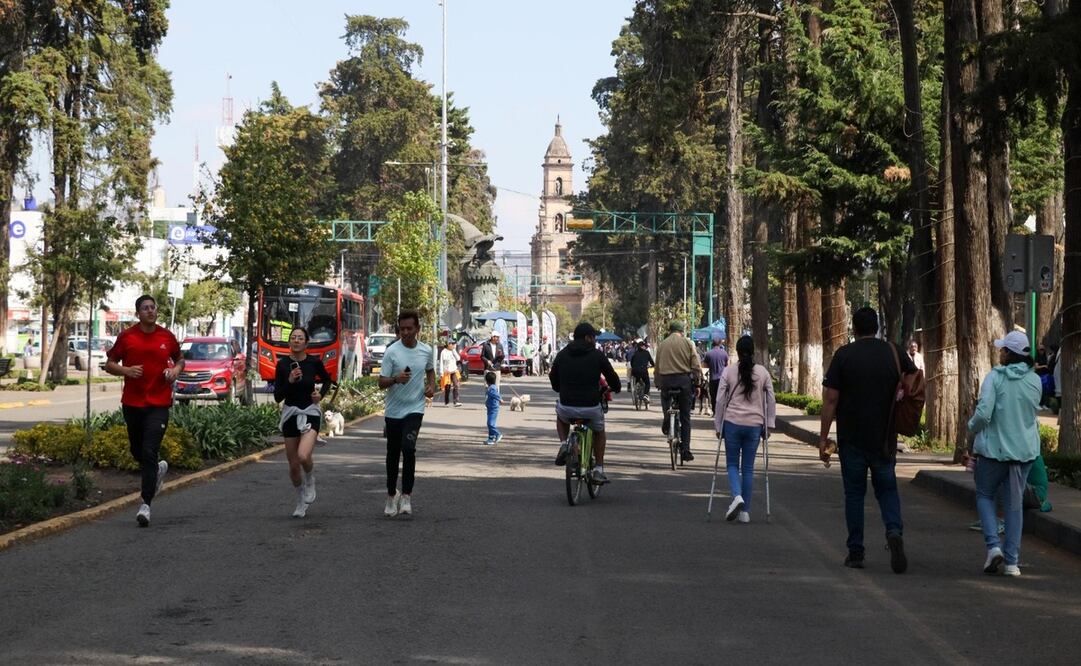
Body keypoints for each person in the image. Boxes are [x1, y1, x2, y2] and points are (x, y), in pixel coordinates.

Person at [818, 306, 917, 573]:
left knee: (854, 494)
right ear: (877, 328)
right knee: (887, 489)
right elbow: (912, 378)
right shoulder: (894, 352)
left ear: (854, 328)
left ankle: (856, 551)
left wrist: (824, 437)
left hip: (851, 439)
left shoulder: (844, 355)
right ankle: (894, 531)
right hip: (884, 437)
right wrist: (899, 391)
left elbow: (831, 399)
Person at [104, 294, 183, 527]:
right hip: (132, 403)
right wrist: (126, 371)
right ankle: (157, 470)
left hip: (158, 404)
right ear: (138, 313)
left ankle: (145, 504)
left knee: (149, 451)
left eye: (153, 307)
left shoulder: (166, 336)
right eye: (145, 308)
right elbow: (109, 364)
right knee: (138, 452)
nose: (150, 311)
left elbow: (180, 359)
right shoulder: (127, 337)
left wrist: (175, 371)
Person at [968, 330, 1042, 576]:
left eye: (1002, 349)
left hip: (994, 451)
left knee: (985, 494)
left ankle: (993, 547)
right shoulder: (1035, 381)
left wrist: (971, 428)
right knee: (1014, 505)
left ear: (1009, 353)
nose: (999, 352)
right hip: (1024, 453)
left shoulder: (994, 378)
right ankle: (1012, 563)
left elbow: (984, 414)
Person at [377, 310, 436, 518]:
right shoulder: (392, 352)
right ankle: (391, 495)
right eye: (402, 329)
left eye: (410, 328)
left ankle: (407, 496)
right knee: (393, 454)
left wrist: (431, 386)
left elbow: (430, 371)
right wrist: (395, 379)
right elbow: (381, 382)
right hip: (394, 411)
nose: (406, 332)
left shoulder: (426, 351)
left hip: (415, 409)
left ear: (417, 329)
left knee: (409, 449)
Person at [713, 335, 776, 523]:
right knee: (748, 468)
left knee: (732, 465)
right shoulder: (763, 372)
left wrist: (718, 425)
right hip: (755, 425)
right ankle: (745, 512)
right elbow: (770, 399)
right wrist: (769, 424)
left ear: (738, 352)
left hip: (732, 423)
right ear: (753, 351)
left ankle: (737, 496)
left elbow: (719, 400)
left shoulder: (729, 371)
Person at [550, 322, 622, 483]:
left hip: (567, 405)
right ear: (588, 338)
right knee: (599, 431)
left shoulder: (562, 354)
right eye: (593, 336)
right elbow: (611, 376)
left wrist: (559, 388)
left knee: (561, 417)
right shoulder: (597, 355)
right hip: (591, 406)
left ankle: (563, 444)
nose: (595, 339)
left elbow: (553, 376)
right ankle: (598, 469)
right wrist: (615, 387)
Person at [274, 327, 332, 518]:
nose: (296, 340)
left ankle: (310, 479)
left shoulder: (314, 362)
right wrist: (289, 381)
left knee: (303, 456)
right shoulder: (282, 365)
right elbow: (277, 396)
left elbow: (327, 380)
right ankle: (300, 501)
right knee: (292, 466)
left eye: (300, 338)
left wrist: (319, 395)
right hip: (291, 413)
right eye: (293, 338)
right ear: (289, 342)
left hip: (310, 412)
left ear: (306, 343)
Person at [654, 321, 703, 461]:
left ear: (670, 331)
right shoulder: (688, 343)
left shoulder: (662, 344)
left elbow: (657, 367)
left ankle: (666, 417)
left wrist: (658, 382)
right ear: (682, 331)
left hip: (666, 381)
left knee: (665, 399)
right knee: (685, 417)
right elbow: (696, 365)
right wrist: (698, 383)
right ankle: (686, 450)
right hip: (683, 382)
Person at [703, 337, 729, 415]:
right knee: (721, 397)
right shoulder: (724, 353)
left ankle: (714, 412)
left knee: (713, 396)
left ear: (712, 343)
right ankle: (721, 412)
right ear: (720, 343)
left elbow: (704, 366)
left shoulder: (708, 353)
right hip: (722, 379)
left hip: (712, 379)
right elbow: (727, 365)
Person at [439, 341, 462, 406]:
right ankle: (447, 402)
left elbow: (458, 358)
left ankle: (456, 401)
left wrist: (454, 351)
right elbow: (441, 363)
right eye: (451, 344)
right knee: (447, 387)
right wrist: (441, 373)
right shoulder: (443, 352)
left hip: (454, 371)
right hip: (446, 372)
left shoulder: (453, 351)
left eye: (453, 344)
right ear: (448, 344)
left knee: (456, 385)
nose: (452, 345)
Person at [484, 371, 504, 445]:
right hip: (490, 407)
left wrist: (500, 399)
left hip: (493, 408)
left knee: (490, 424)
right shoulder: (492, 387)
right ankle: (490, 438)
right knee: (490, 423)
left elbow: (495, 395)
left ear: (487, 380)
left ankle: (498, 434)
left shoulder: (492, 388)